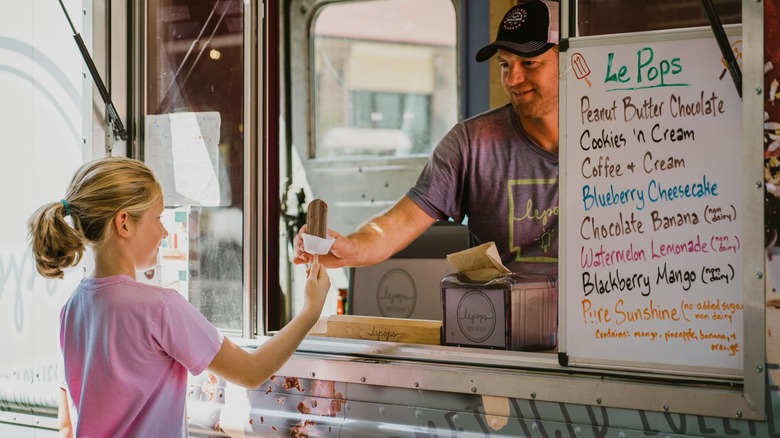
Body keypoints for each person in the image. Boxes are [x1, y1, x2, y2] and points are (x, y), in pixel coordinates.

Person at [28, 156, 330, 437]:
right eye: (157, 218)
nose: (163, 231)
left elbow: (66, 425)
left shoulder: (71, 309)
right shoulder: (159, 308)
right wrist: (310, 310)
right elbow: (250, 373)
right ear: (124, 223)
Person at [294, 0, 560, 277]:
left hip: (597, 315)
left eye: (529, 62)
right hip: (502, 317)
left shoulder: (605, 138)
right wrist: (351, 248)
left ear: (570, 60)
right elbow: (403, 220)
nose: (514, 78)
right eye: (505, 64)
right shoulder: (471, 144)